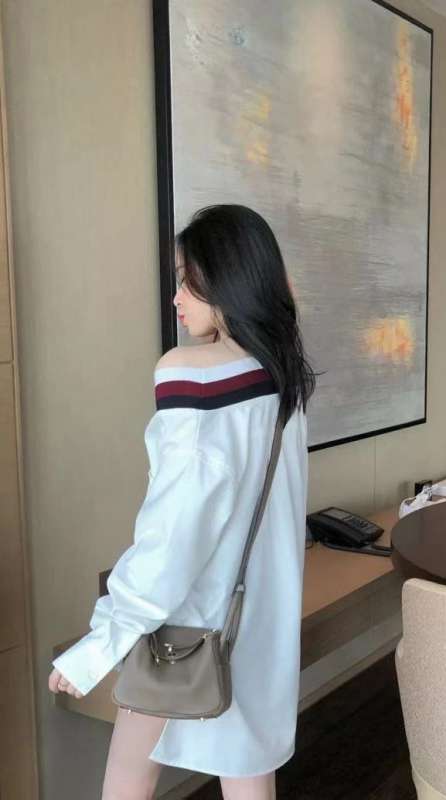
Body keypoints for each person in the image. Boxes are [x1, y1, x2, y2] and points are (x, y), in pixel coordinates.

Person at [48, 204, 317, 800]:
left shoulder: (191, 375)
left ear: (228, 278)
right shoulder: (283, 374)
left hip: (185, 630)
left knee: (128, 777)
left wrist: (104, 641)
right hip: (260, 622)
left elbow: (173, 535)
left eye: (187, 280)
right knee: (249, 779)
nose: (176, 297)